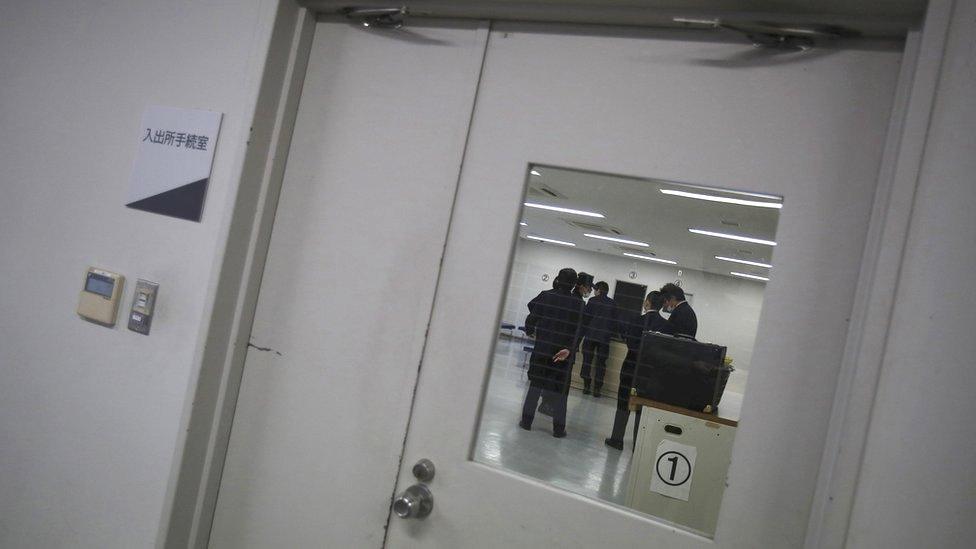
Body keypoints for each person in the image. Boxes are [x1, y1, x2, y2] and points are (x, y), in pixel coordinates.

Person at [520, 268, 585, 437]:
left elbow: (531, 316)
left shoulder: (546, 295)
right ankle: (558, 429)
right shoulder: (579, 303)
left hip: (543, 349)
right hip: (564, 354)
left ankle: (526, 422)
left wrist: (531, 331)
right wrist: (570, 349)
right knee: (561, 393)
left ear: (557, 279)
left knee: (535, 386)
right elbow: (580, 330)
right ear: (573, 285)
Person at [605, 291, 668, 451]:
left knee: (623, 403)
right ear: (661, 306)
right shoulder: (666, 326)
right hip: (650, 372)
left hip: (631, 366)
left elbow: (630, 342)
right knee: (643, 407)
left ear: (647, 303)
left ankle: (617, 439)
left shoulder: (636, 320)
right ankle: (637, 445)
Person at [580, 281, 618, 397]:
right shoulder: (612, 304)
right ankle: (597, 389)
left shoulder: (592, 301)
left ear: (598, 290)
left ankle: (586, 385)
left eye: (595, 289)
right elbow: (615, 322)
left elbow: (585, 319)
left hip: (590, 336)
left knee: (587, 361)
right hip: (604, 338)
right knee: (601, 364)